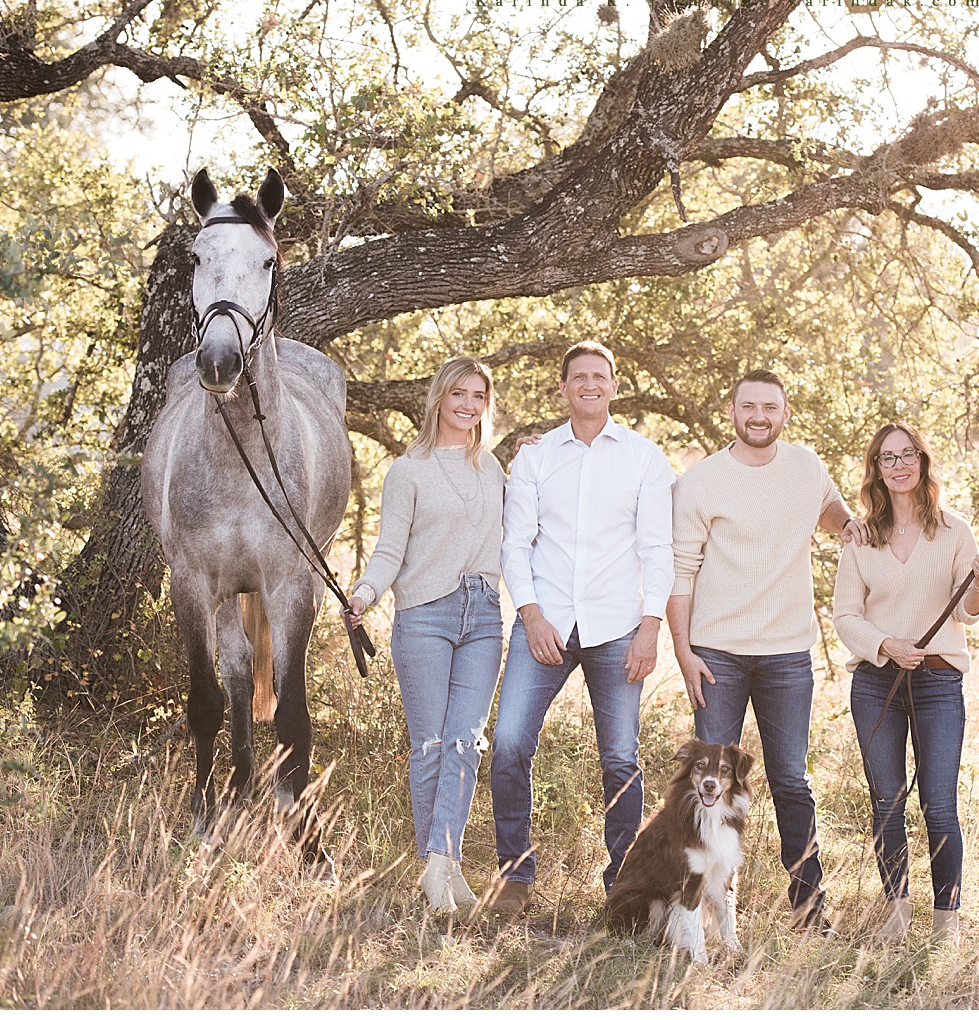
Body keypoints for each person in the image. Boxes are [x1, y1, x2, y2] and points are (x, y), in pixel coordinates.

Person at [666, 369, 866, 931]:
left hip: (786, 654)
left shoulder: (806, 466)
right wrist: (683, 652)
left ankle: (808, 904)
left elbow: (829, 507)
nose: (759, 416)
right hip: (717, 654)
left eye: (770, 407)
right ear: (731, 411)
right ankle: (712, 906)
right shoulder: (700, 482)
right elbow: (681, 574)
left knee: (790, 779)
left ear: (784, 413)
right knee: (708, 782)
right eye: (748, 406)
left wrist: (847, 524)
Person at [488, 340, 675, 917]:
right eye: (578, 378)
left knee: (620, 758)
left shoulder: (646, 458)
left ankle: (624, 887)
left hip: (618, 624)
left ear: (614, 387)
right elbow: (515, 545)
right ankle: (516, 878)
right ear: (563, 389)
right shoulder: (535, 457)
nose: (589, 385)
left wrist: (650, 626)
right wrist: (531, 614)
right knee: (508, 743)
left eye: (600, 377)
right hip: (543, 622)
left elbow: (658, 548)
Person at [344, 356, 506, 913]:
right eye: (459, 393)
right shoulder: (406, 471)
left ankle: (443, 865)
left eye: (478, 397)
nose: (468, 405)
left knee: (466, 740)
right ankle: (440, 869)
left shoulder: (494, 470)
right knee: (432, 744)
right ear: (439, 397)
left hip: (484, 615)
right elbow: (390, 549)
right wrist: (362, 595)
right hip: (425, 616)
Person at [831, 422, 979, 944]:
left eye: (907, 455)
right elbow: (845, 616)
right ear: (876, 470)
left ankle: (945, 923)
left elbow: (970, 613)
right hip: (877, 682)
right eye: (887, 457)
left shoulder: (954, 531)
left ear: (922, 463)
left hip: (938, 682)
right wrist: (885, 645)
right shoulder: (861, 536)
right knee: (887, 802)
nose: (898, 464)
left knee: (940, 804)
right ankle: (898, 914)